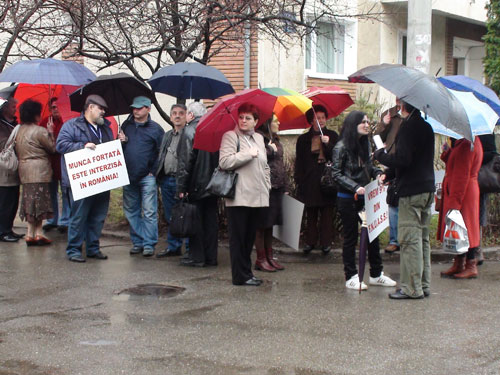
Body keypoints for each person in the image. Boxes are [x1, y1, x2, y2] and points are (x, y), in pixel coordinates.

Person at [374, 100, 435, 300]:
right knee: (423, 239)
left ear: (403, 106)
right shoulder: (426, 127)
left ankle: (411, 288)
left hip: (412, 192)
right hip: (426, 189)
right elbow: (413, 161)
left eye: (399, 102)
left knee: (410, 241)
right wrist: (389, 175)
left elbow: (403, 159)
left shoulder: (408, 127)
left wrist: (380, 155)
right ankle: (423, 285)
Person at [331, 111, 396, 290]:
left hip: (366, 197)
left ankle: (376, 274)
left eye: (368, 122)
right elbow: (335, 174)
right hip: (347, 198)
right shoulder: (341, 147)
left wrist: (379, 174)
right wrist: (354, 187)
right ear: (353, 124)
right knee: (351, 237)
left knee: (373, 236)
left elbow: (369, 166)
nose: (367, 125)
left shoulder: (365, 144)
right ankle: (351, 276)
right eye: (363, 122)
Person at [56, 94, 114, 263]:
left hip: (102, 180)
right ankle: (74, 249)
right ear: (90, 107)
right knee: (79, 216)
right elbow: (60, 145)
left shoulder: (105, 128)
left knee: (98, 216)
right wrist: (82, 146)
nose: (103, 112)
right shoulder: (71, 126)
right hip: (81, 181)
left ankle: (93, 248)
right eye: (100, 108)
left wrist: (120, 143)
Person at [219, 103, 271, 286]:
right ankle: (239, 276)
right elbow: (224, 162)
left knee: (249, 238)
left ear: (256, 122)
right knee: (238, 238)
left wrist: (267, 185)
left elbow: (264, 165)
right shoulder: (230, 136)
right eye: (241, 117)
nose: (243, 121)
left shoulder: (258, 137)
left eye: (248, 118)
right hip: (239, 197)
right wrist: (248, 154)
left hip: (257, 197)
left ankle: (247, 273)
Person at [118, 96, 164, 257]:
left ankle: (149, 244)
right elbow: (119, 150)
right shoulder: (126, 125)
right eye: (134, 108)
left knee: (149, 211)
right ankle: (138, 242)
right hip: (128, 174)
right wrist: (121, 142)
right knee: (131, 211)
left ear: (148, 109)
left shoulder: (156, 129)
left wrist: (154, 170)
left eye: (139, 108)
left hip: (147, 177)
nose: (135, 110)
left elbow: (162, 152)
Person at [176, 102, 219, 267]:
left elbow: (186, 162)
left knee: (196, 221)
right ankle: (211, 257)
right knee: (210, 222)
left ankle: (197, 257)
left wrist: (181, 187)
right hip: (213, 184)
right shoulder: (213, 129)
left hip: (196, 184)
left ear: (191, 115)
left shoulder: (190, 130)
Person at [294, 104, 338, 254]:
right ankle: (310, 241)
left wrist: (328, 144)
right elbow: (299, 161)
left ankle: (326, 243)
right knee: (311, 213)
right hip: (310, 180)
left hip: (327, 179)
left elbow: (337, 157)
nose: (321, 120)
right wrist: (299, 180)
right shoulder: (303, 139)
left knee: (326, 212)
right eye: (317, 118)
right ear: (311, 121)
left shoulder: (332, 135)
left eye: (323, 117)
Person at [438, 137, 483, 279]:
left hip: (463, 192)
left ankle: (470, 265)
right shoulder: (463, 142)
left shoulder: (467, 144)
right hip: (464, 190)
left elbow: (461, 175)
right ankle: (459, 262)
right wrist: (448, 151)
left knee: (466, 229)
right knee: (460, 228)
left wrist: (455, 203)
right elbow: (454, 164)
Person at [14, 99, 56, 245]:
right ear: (35, 114)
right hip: (40, 170)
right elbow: (52, 148)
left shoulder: (19, 130)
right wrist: (51, 133)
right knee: (40, 202)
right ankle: (38, 233)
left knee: (30, 201)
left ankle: (29, 233)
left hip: (24, 170)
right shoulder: (40, 131)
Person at [254, 114, 288, 272]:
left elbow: (280, 164)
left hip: (276, 187)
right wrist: (270, 150)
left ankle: (269, 256)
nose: (279, 122)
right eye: (275, 120)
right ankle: (260, 259)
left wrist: (285, 186)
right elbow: (257, 158)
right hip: (264, 187)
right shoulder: (258, 138)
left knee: (270, 225)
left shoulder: (275, 139)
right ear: (267, 123)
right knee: (261, 224)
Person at [155, 104, 189, 257]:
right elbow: (162, 155)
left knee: (186, 215)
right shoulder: (167, 135)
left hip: (182, 181)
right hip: (167, 180)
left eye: (181, 113)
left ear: (186, 116)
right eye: (174, 113)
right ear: (170, 117)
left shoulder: (189, 134)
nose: (177, 116)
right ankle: (173, 246)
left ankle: (189, 248)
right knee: (170, 216)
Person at [374, 99, 402, 254]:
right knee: (393, 201)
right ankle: (394, 240)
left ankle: (405, 239)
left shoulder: (412, 114)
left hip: (405, 162)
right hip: (390, 162)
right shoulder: (389, 114)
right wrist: (383, 124)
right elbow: (378, 137)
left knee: (404, 203)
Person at [40, 97, 70, 233]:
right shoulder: (45, 122)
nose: (56, 109)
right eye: (53, 107)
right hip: (50, 163)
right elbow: (40, 142)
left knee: (66, 192)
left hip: (64, 163)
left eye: (58, 106)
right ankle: (52, 219)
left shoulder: (68, 121)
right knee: (51, 192)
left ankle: (65, 220)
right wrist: (48, 133)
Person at [0, 97, 23, 242]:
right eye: (13, 106)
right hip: (3, 171)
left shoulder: (14, 123)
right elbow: (3, 143)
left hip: (14, 169)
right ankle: (2, 231)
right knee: (4, 202)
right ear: (5, 108)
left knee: (13, 200)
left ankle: (9, 228)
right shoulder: (1, 126)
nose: (16, 109)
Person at [477, 134, 497, 265]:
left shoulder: (484, 130)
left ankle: (477, 249)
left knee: (478, 213)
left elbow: (492, 154)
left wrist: (475, 157)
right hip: (466, 177)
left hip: (479, 178)